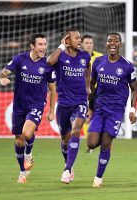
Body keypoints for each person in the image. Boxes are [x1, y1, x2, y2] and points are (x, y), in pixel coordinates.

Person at [0, 33, 56, 183]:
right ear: (32, 46)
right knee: (18, 141)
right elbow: (3, 72)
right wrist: (1, 78)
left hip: (36, 104)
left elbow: (53, 90)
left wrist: (51, 111)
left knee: (26, 132)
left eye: (45, 44)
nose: (44, 47)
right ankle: (22, 171)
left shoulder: (47, 65)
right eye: (40, 44)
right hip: (19, 105)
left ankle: (29, 153)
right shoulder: (19, 59)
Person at [87, 33, 137, 188]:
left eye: (116, 41)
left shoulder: (127, 66)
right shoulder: (98, 62)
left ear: (120, 45)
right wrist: (91, 106)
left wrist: (132, 109)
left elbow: (135, 89)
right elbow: (92, 83)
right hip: (100, 109)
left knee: (106, 143)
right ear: (106, 44)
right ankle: (104, 140)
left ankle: (98, 178)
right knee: (91, 143)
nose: (113, 43)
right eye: (110, 40)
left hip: (115, 111)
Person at [47, 28, 91, 184]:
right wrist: (60, 46)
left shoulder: (85, 56)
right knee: (65, 140)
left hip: (80, 102)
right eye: (76, 38)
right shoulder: (60, 57)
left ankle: (67, 169)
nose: (79, 40)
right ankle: (69, 165)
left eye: (80, 38)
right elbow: (49, 62)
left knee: (76, 130)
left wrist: (88, 87)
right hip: (64, 104)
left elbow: (87, 71)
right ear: (67, 40)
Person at [81, 34, 103, 153]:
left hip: (98, 93)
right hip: (82, 92)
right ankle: (89, 143)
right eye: (87, 43)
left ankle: (97, 140)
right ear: (82, 45)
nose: (89, 45)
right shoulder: (78, 58)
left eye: (90, 43)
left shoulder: (100, 57)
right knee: (86, 116)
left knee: (96, 115)